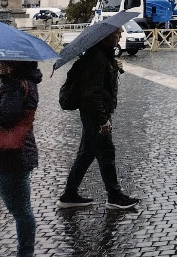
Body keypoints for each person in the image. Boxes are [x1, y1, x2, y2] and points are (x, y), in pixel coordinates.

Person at [58, 28, 140, 210]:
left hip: (93, 113)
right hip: (94, 114)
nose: (119, 37)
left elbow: (102, 83)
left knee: (86, 154)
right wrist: (103, 120)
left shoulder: (102, 56)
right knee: (106, 154)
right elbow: (92, 94)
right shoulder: (97, 59)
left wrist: (115, 66)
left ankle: (69, 194)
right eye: (117, 34)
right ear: (106, 37)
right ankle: (114, 196)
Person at [0, 60, 42, 257]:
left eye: (3, 62)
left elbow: (5, 117)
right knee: (21, 209)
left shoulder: (16, 86)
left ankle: (25, 253)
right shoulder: (17, 84)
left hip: (11, 156)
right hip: (8, 155)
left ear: (14, 64)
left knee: (21, 211)